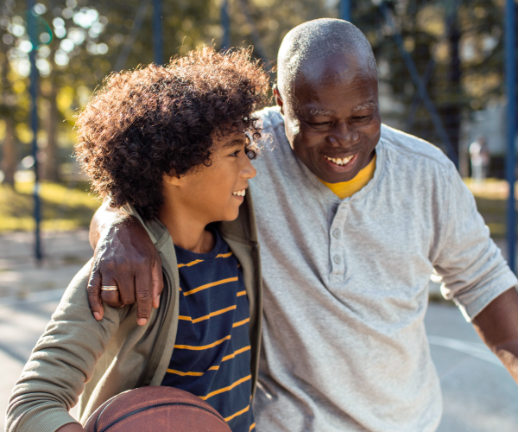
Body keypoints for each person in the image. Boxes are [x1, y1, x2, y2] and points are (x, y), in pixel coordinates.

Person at [86, 19, 518, 432]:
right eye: (320, 122)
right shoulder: (245, 153)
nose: (344, 139)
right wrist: (119, 226)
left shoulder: (427, 174)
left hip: (405, 421)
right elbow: (138, 190)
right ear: (280, 100)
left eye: (363, 116)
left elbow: (483, 281)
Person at [6, 47, 269, 432]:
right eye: (234, 153)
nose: (250, 169)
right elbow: (33, 402)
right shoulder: (123, 275)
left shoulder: (237, 246)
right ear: (176, 168)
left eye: (248, 150)